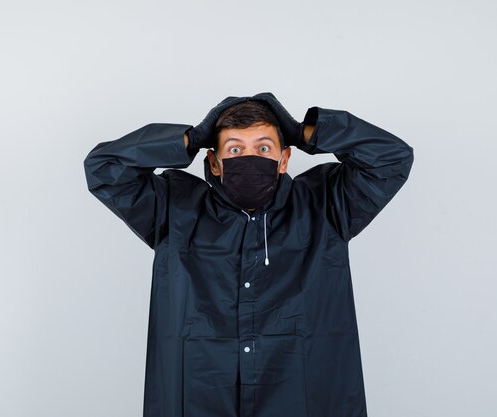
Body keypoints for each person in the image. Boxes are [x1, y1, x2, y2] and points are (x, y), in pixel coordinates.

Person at [83, 92, 414, 417]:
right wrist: (192, 138)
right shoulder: (173, 207)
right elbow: (104, 167)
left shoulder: (327, 204)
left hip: (302, 397)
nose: (250, 158)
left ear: (284, 159)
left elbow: (392, 158)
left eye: (264, 148)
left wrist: (304, 132)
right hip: (200, 398)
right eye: (235, 149)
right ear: (214, 162)